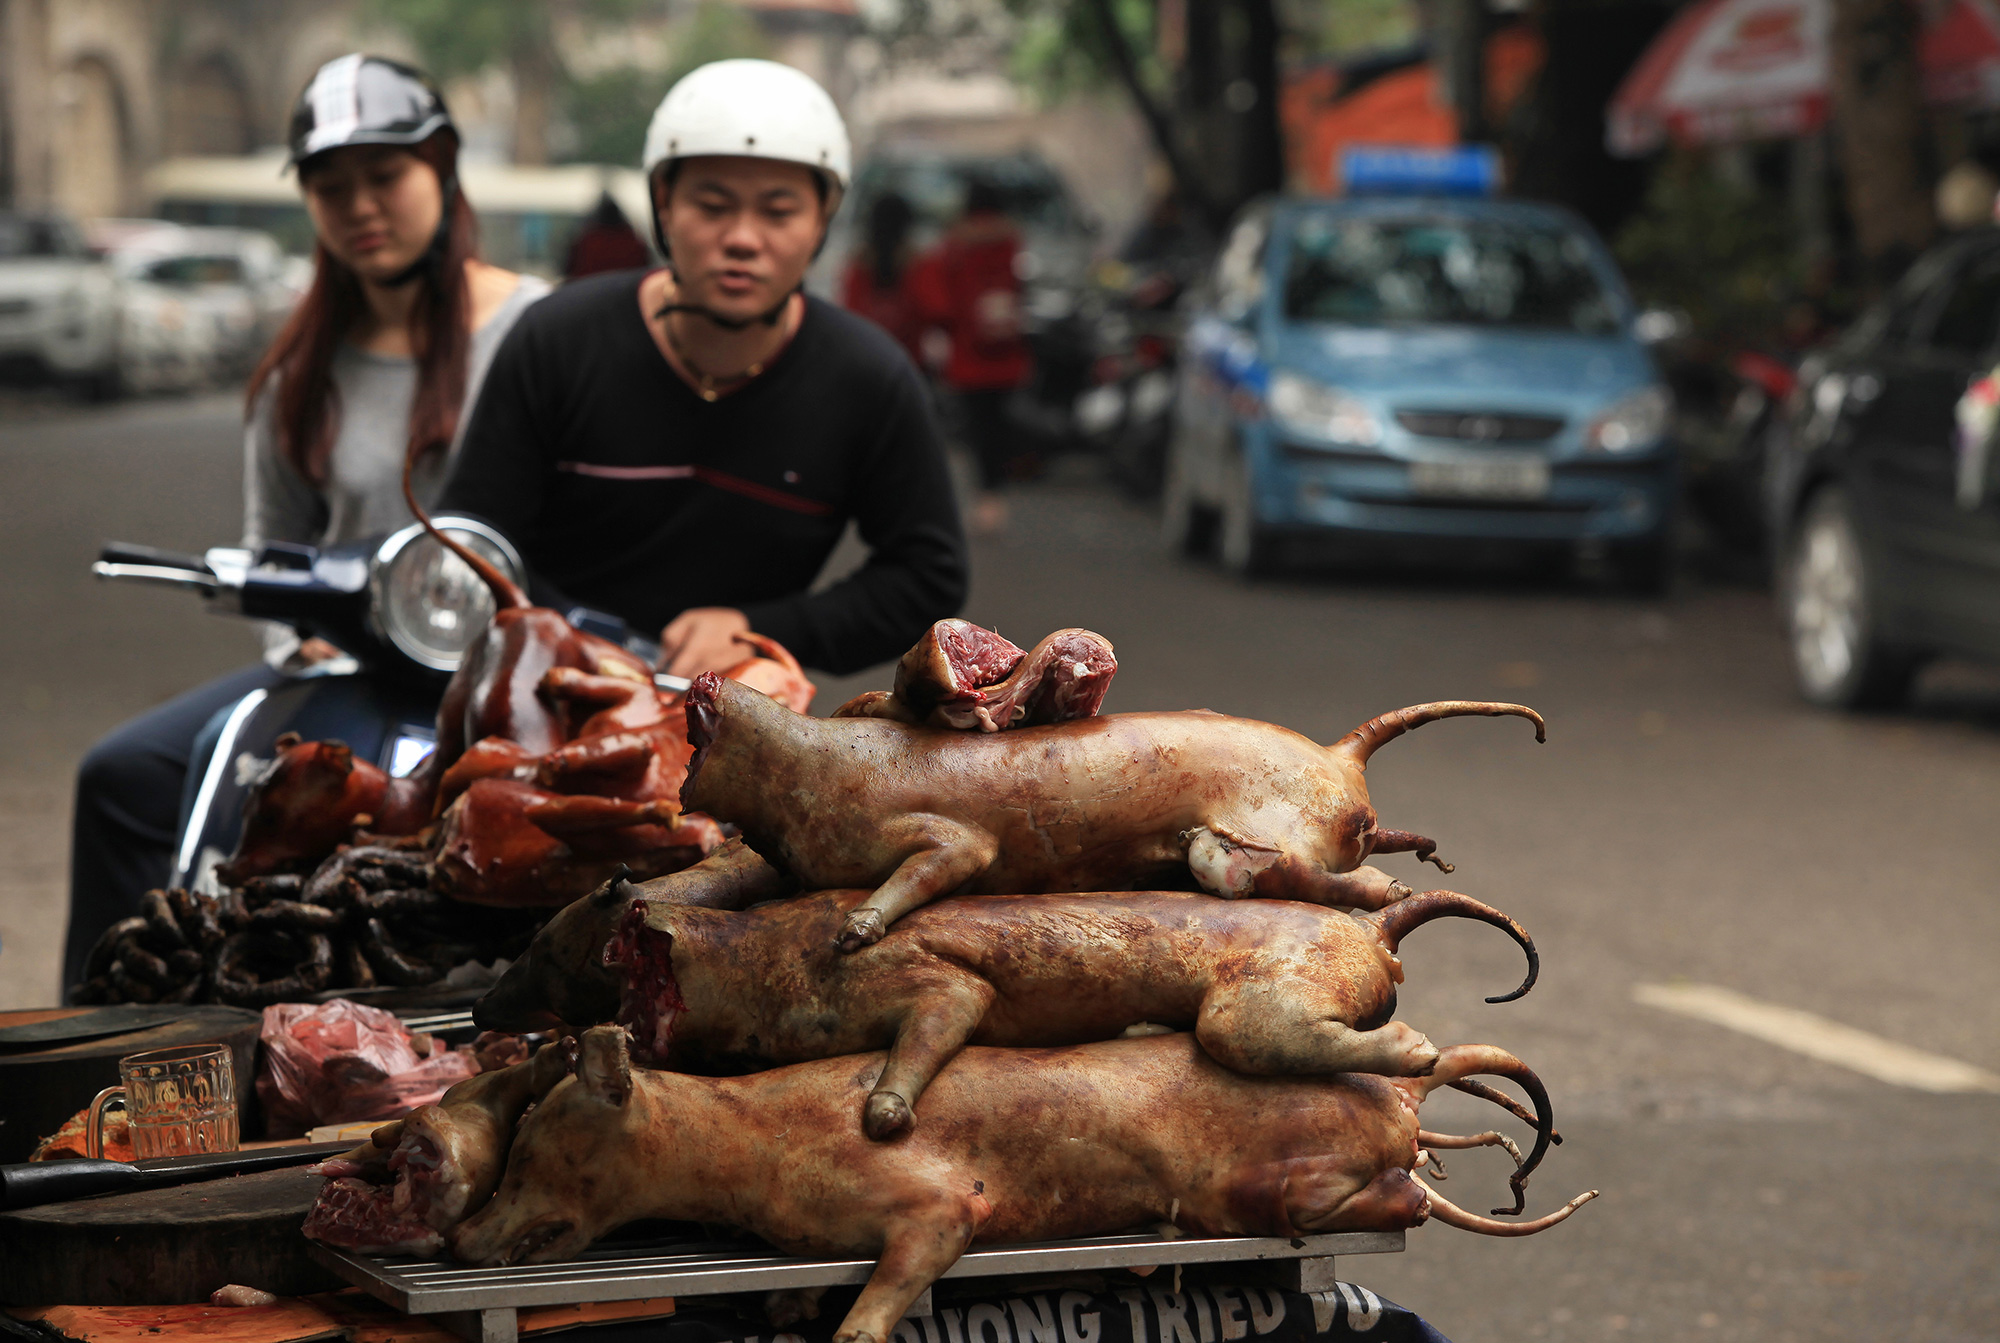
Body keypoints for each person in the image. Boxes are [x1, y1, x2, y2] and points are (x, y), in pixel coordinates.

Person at [64, 54, 548, 995]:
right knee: (119, 773)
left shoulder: (540, 332)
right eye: (331, 186)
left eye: (384, 177)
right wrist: (303, 644)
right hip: (350, 669)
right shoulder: (298, 370)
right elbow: (271, 547)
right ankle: (98, 1036)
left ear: (443, 168)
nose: (361, 205)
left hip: (511, 673)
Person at [438, 59, 967, 679]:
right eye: (712, 205)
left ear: (823, 219)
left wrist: (763, 631)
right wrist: (582, 644)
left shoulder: (871, 380)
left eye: (778, 211)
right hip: (540, 685)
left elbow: (929, 575)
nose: (743, 238)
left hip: (742, 713)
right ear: (663, 203)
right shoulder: (558, 341)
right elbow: (472, 544)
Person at [909, 178, 1031, 536]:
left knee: (978, 429)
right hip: (1008, 354)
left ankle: (985, 496)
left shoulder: (953, 248)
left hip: (967, 357)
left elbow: (933, 299)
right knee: (999, 425)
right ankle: (995, 492)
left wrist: (946, 327)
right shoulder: (1011, 243)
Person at [839, 191, 923, 364]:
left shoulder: (860, 264)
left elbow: (849, 313)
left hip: (866, 359)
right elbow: (933, 311)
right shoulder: (918, 265)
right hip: (910, 361)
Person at [564, 190, 651, 279]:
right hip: (624, 288)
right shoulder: (633, 241)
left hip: (588, 288)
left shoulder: (588, 241)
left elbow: (570, 269)